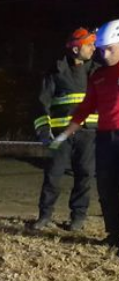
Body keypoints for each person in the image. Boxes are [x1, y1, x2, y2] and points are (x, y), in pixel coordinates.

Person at [53, 20, 119, 246]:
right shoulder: (98, 75)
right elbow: (87, 106)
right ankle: (114, 234)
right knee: (107, 187)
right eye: (102, 49)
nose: (104, 54)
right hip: (104, 138)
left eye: (110, 48)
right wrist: (69, 128)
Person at [29, 28, 98, 231]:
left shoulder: (96, 71)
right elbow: (41, 104)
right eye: (89, 45)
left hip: (89, 134)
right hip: (61, 135)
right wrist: (43, 132)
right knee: (53, 175)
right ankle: (45, 216)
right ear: (76, 49)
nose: (93, 48)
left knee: (85, 175)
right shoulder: (55, 72)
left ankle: (78, 218)